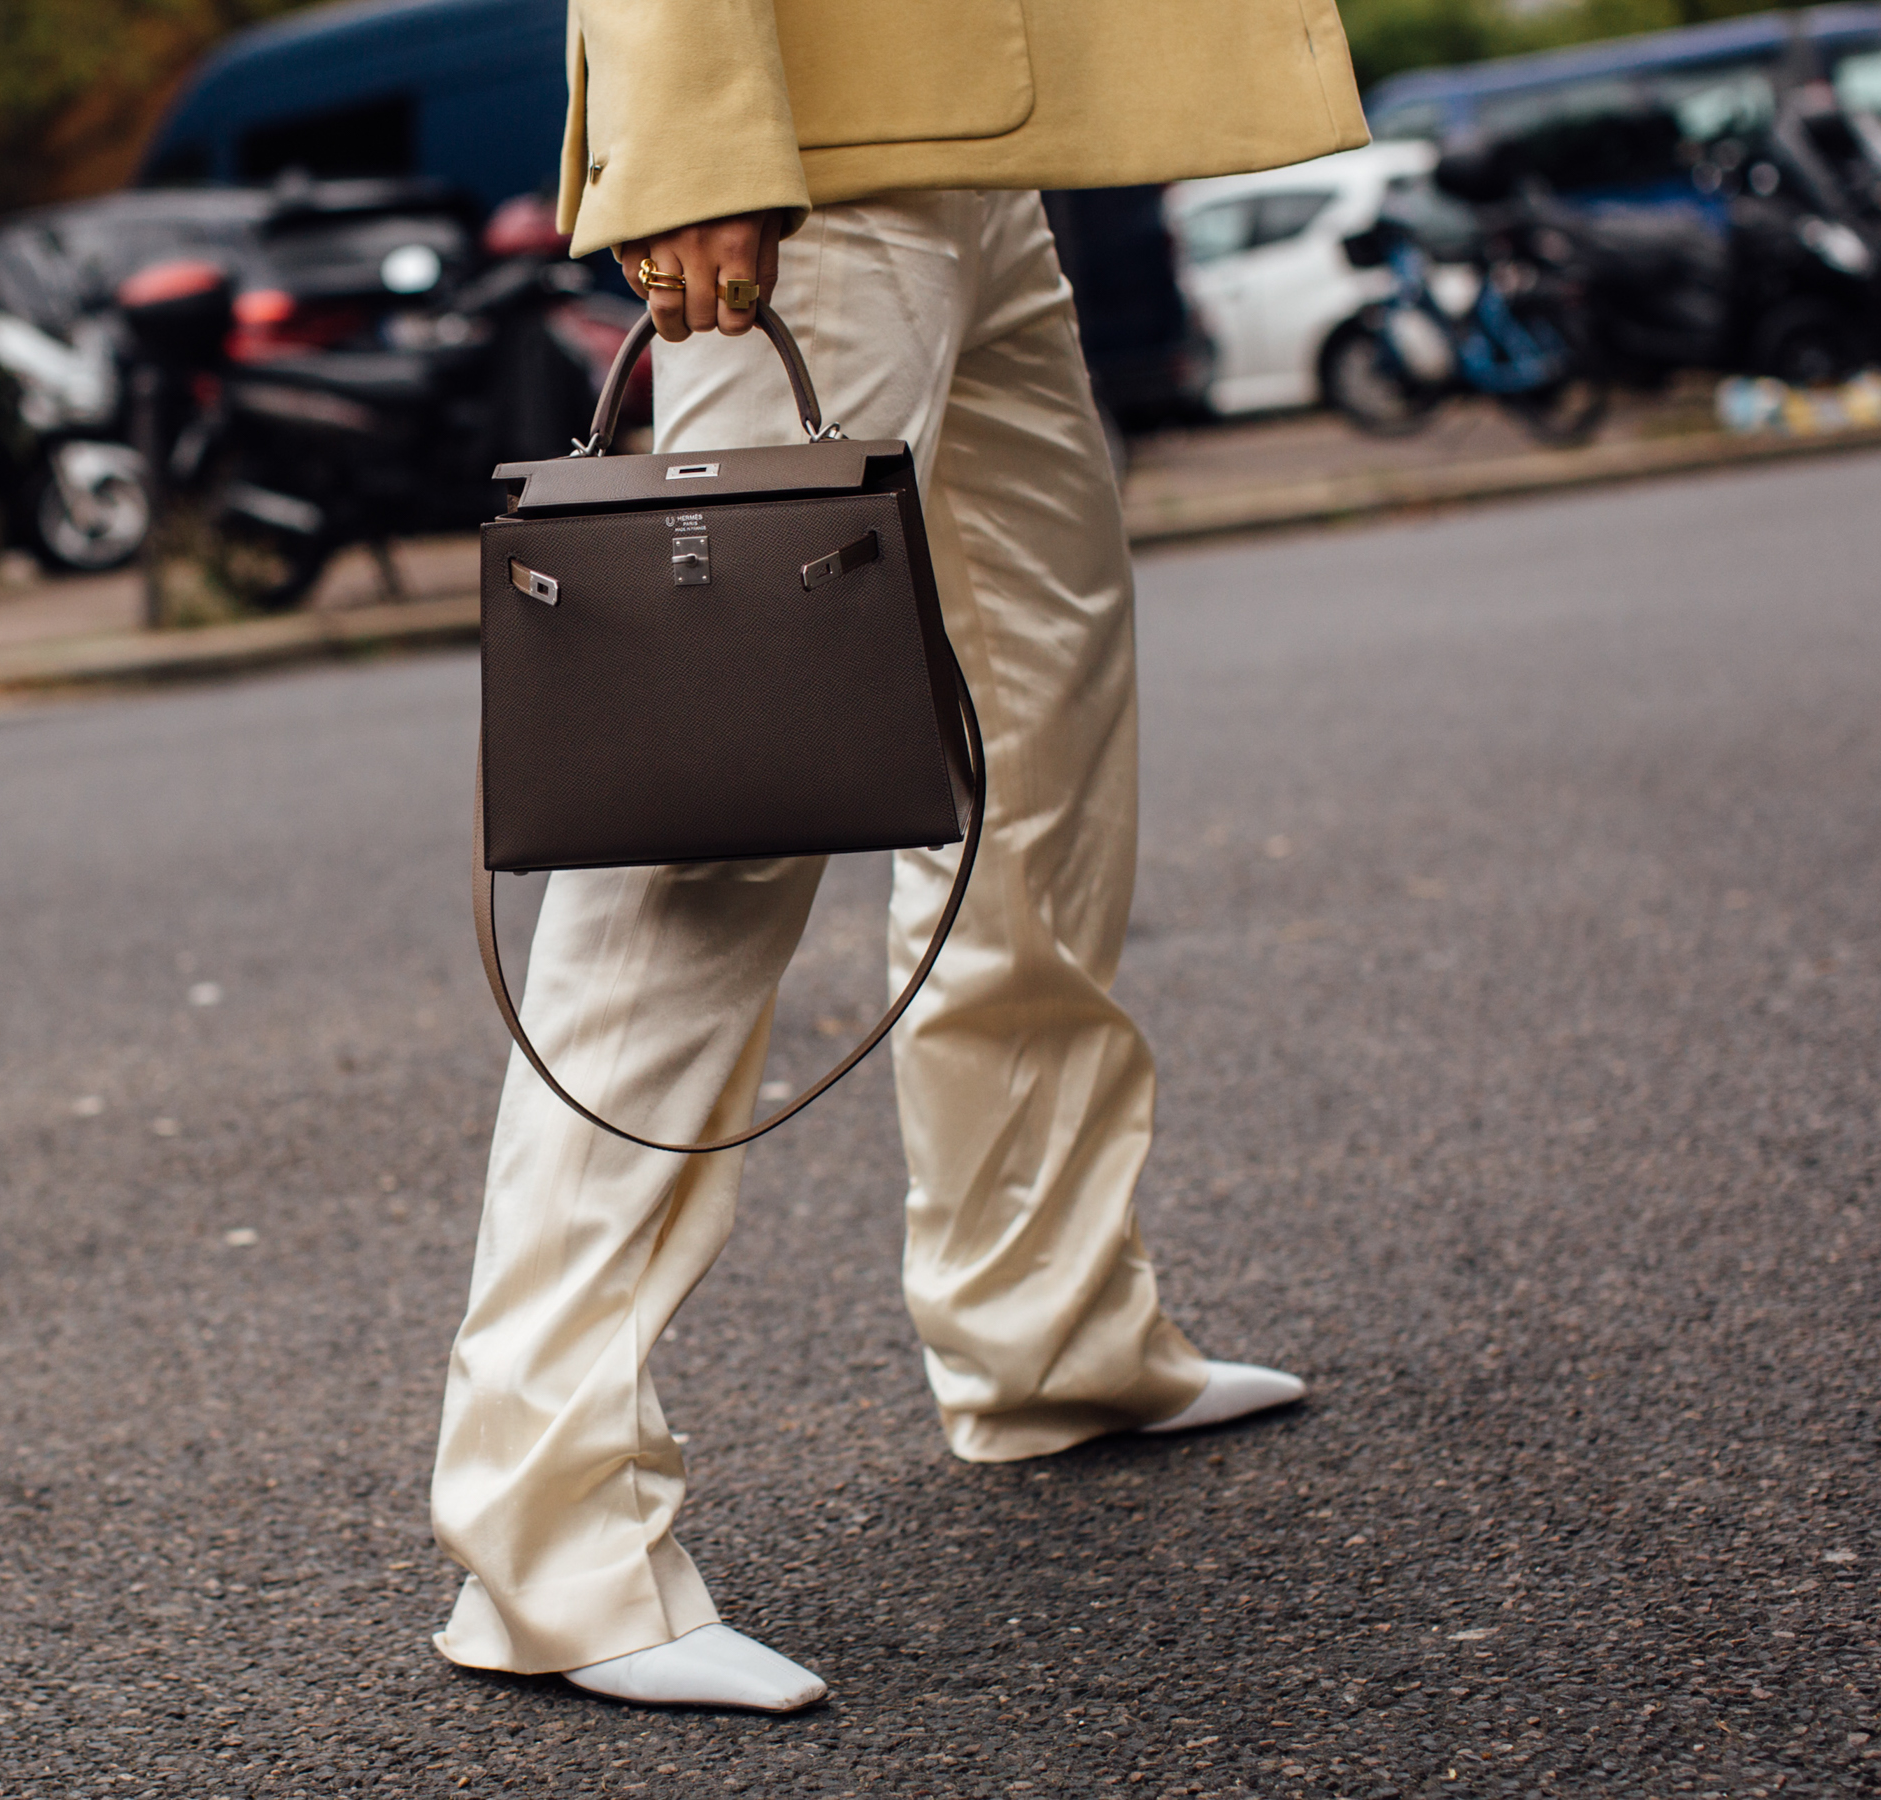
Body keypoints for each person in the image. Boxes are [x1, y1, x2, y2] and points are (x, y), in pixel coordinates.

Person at [431, 0, 1368, 1712]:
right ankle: (546, 1530)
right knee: (711, 820)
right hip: (815, 148)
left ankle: (1046, 1326)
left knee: (1041, 726)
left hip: (983, 150)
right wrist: (697, 132)